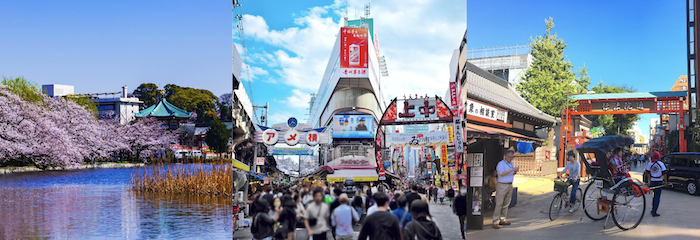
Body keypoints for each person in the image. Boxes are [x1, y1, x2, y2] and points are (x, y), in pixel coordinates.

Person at [493, 149, 518, 229]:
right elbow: (502, 173)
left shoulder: (511, 163)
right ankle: (495, 221)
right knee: (499, 203)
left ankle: (502, 218)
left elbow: (511, 173)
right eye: (511, 157)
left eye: (513, 157)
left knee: (506, 203)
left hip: (509, 184)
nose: (512, 159)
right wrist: (512, 169)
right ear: (506, 156)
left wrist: (514, 171)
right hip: (502, 185)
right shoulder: (501, 164)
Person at [644, 151, 667, 217]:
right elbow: (664, 173)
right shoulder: (661, 164)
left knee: (654, 196)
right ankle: (654, 211)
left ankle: (653, 210)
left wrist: (650, 179)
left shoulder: (650, 163)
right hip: (659, 181)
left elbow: (647, 172)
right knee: (657, 196)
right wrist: (665, 181)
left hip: (652, 181)